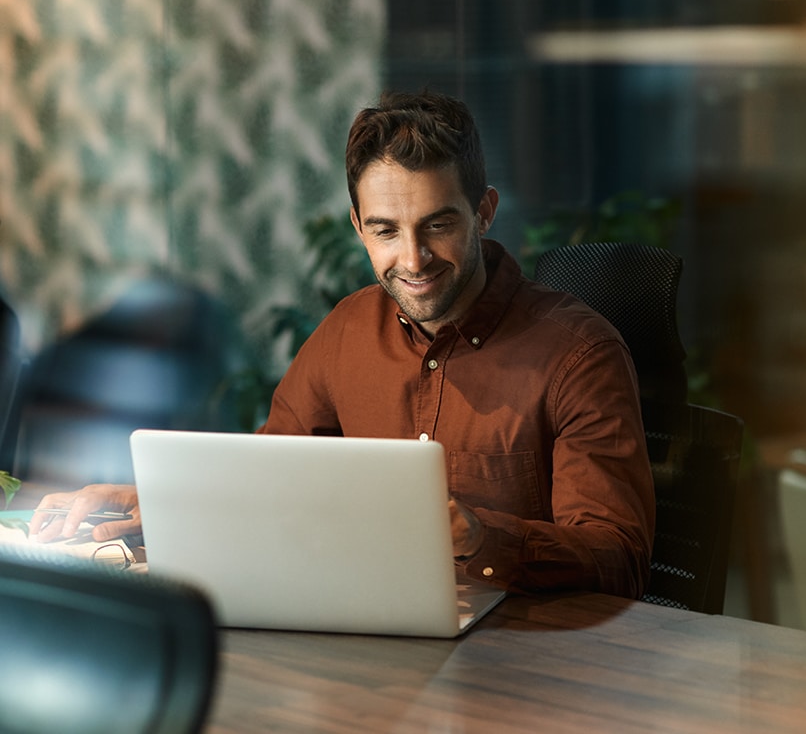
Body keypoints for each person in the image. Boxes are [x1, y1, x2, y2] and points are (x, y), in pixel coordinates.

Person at [30, 90, 655, 599]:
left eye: (438, 225)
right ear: (358, 227)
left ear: (484, 211)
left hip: (528, 668)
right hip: (363, 645)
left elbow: (619, 559)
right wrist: (153, 503)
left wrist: (479, 536)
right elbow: (267, 482)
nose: (412, 259)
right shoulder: (348, 331)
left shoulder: (579, 354)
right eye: (385, 230)